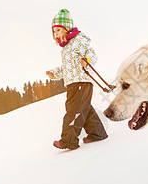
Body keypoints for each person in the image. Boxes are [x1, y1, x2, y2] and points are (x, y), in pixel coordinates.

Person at [46, 9, 108, 150]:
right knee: (84, 108)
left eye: (58, 30)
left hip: (82, 81)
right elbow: (66, 67)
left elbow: (92, 54)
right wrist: (54, 73)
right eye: (54, 32)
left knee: (74, 110)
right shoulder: (66, 47)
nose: (56, 34)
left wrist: (86, 60)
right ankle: (97, 133)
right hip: (73, 83)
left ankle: (68, 141)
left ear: (66, 28)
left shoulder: (78, 40)